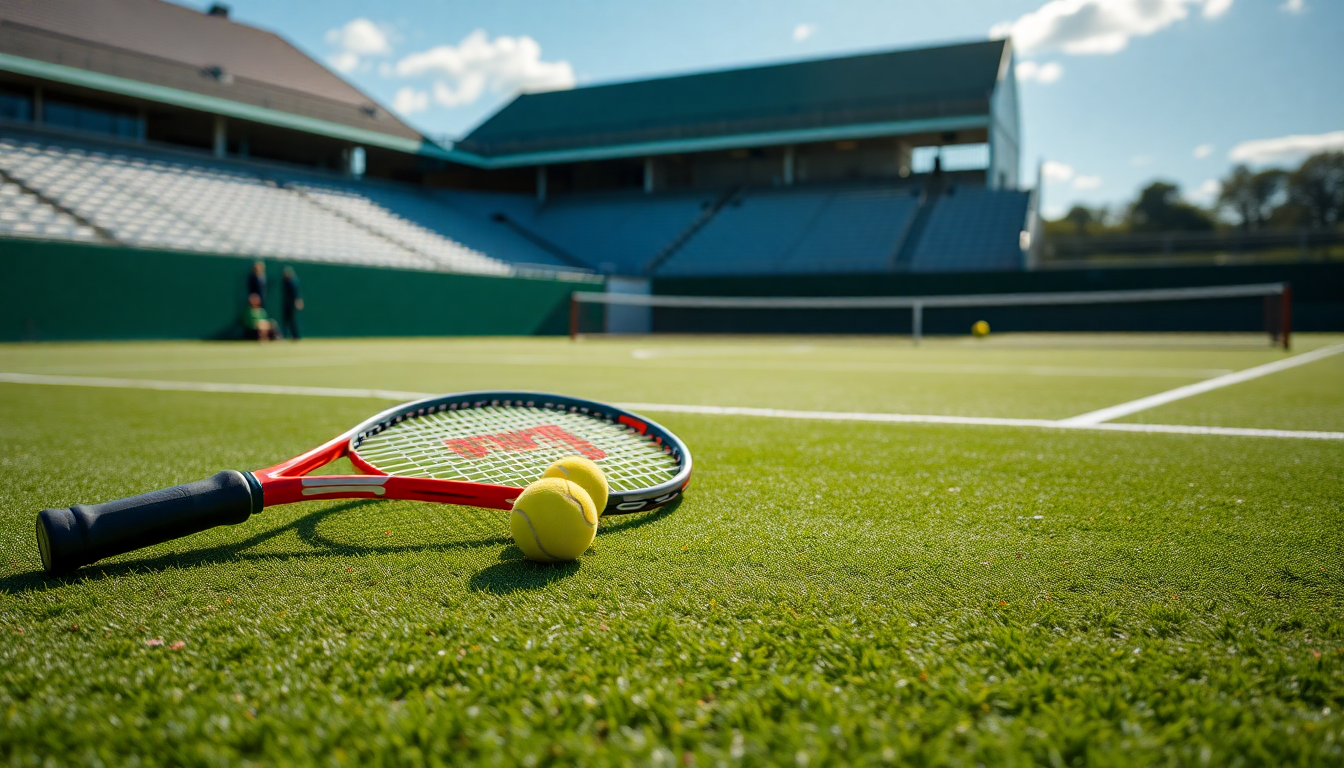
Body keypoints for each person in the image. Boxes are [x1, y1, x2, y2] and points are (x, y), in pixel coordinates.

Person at [281, 267, 304, 340]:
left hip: (290, 305)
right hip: (287, 304)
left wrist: (298, 301)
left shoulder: (292, 282)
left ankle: (295, 336)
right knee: (287, 320)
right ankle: (286, 335)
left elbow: (295, 294)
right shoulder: (286, 282)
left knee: (291, 320)